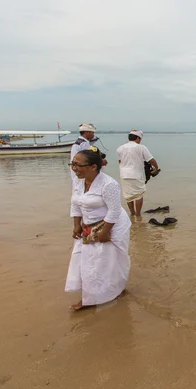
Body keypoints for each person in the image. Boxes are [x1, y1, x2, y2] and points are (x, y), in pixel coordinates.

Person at [66, 147, 132, 310]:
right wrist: (77, 225)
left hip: (113, 225)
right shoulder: (78, 181)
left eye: (78, 165)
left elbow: (115, 210)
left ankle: (115, 290)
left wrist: (105, 231)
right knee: (87, 261)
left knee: (108, 261)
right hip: (90, 226)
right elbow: (75, 203)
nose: (74, 169)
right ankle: (91, 297)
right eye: (72, 164)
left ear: (93, 167)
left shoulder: (109, 184)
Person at [116, 130, 160, 216]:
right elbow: (151, 159)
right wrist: (156, 168)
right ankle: (138, 214)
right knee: (138, 194)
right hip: (136, 174)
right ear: (138, 138)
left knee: (128, 196)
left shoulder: (119, 148)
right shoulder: (141, 147)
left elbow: (120, 162)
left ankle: (132, 213)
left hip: (124, 174)